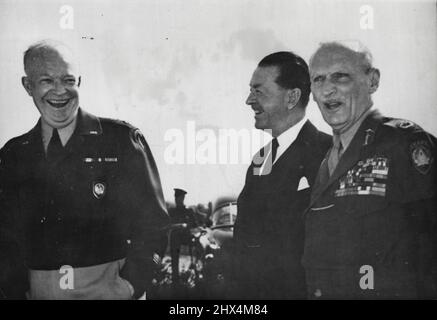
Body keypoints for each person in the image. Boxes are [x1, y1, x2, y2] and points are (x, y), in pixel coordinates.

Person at [0, 40, 169, 299]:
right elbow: (6, 239)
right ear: (28, 85)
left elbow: (154, 224)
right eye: (47, 80)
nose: (60, 92)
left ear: (80, 81)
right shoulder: (13, 155)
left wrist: (129, 287)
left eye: (68, 80)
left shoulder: (122, 140)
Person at [303, 41, 437, 299]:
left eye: (340, 77)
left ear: (372, 81)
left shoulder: (403, 144)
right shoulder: (326, 161)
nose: (328, 90)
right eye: (318, 80)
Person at [231, 51, 332, 299]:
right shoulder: (260, 158)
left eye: (259, 92)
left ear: (292, 97)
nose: (248, 100)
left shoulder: (329, 153)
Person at [168, 188, 197, 286]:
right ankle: (175, 277)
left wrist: (187, 226)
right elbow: (168, 224)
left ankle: (197, 271)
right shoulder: (171, 212)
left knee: (199, 241)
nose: (177, 200)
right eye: (176, 198)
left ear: (183, 198)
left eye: (179, 198)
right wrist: (179, 225)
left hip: (186, 236)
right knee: (174, 236)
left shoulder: (188, 211)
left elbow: (194, 225)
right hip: (176, 237)